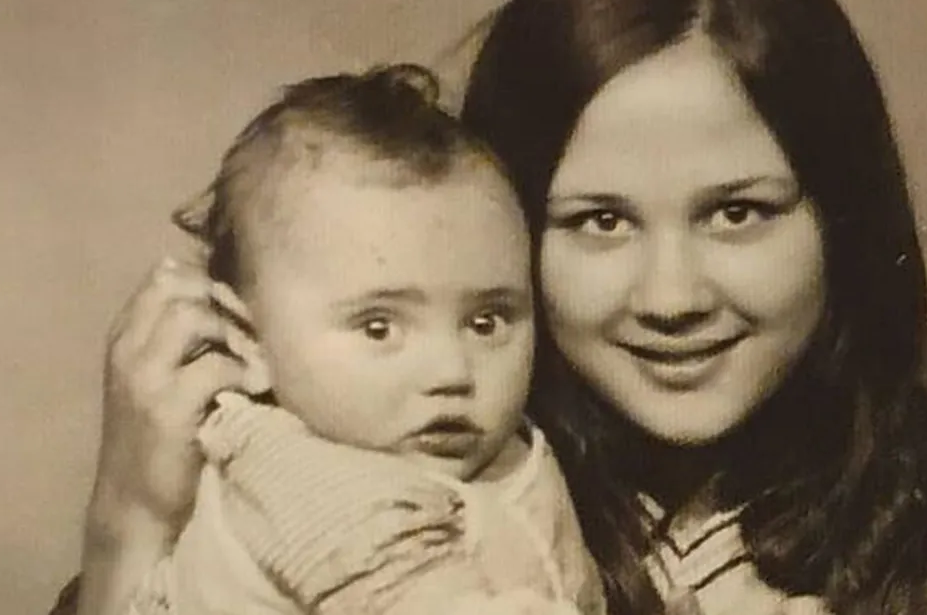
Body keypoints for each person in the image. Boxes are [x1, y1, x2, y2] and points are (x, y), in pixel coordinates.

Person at [457, 0, 927, 614]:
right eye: (602, 221)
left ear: (842, 222)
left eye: (736, 213)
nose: (671, 299)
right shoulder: (415, 539)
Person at [69, 64, 603, 615]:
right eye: (379, 327)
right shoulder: (299, 478)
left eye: (486, 322)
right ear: (248, 339)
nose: (452, 371)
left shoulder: (500, 450)